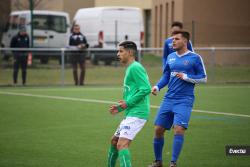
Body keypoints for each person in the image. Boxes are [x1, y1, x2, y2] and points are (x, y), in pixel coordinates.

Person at [148, 31, 207, 167]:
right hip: (168, 98)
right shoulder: (170, 57)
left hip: (184, 100)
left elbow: (204, 78)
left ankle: (173, 163)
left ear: (185, 41)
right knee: (158, 129)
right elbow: (166, 76)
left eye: (176, 39)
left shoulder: (195, 58)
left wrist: (186, 77)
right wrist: (157, 86)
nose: (172, 41)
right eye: (172, 39)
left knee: (179, 129)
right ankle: (158, 161)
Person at [108, 41, 151, 167]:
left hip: (138, 113)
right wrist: (122, 106)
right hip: (132, 111)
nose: (118, 54)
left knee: (122, 144)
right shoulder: (131, 68)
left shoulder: (135, 67)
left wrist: (127, 104)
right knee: (114, 141)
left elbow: (146, 88)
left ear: (130, 52)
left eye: (121, 51)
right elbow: (135, 92)